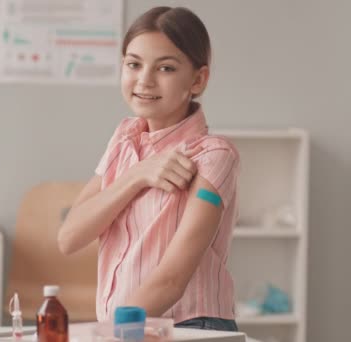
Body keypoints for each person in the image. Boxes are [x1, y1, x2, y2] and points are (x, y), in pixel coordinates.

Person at [57, 6, 240, 332]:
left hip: (191, 327)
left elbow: (171, 279)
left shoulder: (213, 157)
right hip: (130, 328)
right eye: (133, 64)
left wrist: (107, 333)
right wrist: (136, 175)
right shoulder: (124, 140)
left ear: (198, 79)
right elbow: (70, 237)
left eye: (166, 68)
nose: (144, 80)